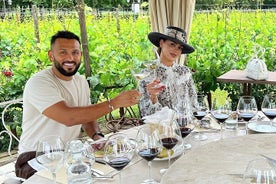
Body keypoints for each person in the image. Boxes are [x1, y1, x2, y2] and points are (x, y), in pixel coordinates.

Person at [15, 30, 140, 179]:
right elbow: (69, 118)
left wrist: (96, 136)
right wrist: (114, 103)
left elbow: (86, 117)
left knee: (121, 170)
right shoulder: (40, 82)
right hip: (37, 158)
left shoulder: (80, 81)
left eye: (75, 52)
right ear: (51, 55)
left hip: (71, 155)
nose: (70, 58)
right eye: (63, 53)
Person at [139, 26, 198, 120]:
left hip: (186, 126)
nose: (176, 50)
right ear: (161, 43)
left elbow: (193, 102)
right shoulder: (147, 73)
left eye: (179, 47)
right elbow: (145, 114)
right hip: (160, 129)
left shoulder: (185, 72)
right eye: (172, 44)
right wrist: (153, 97)